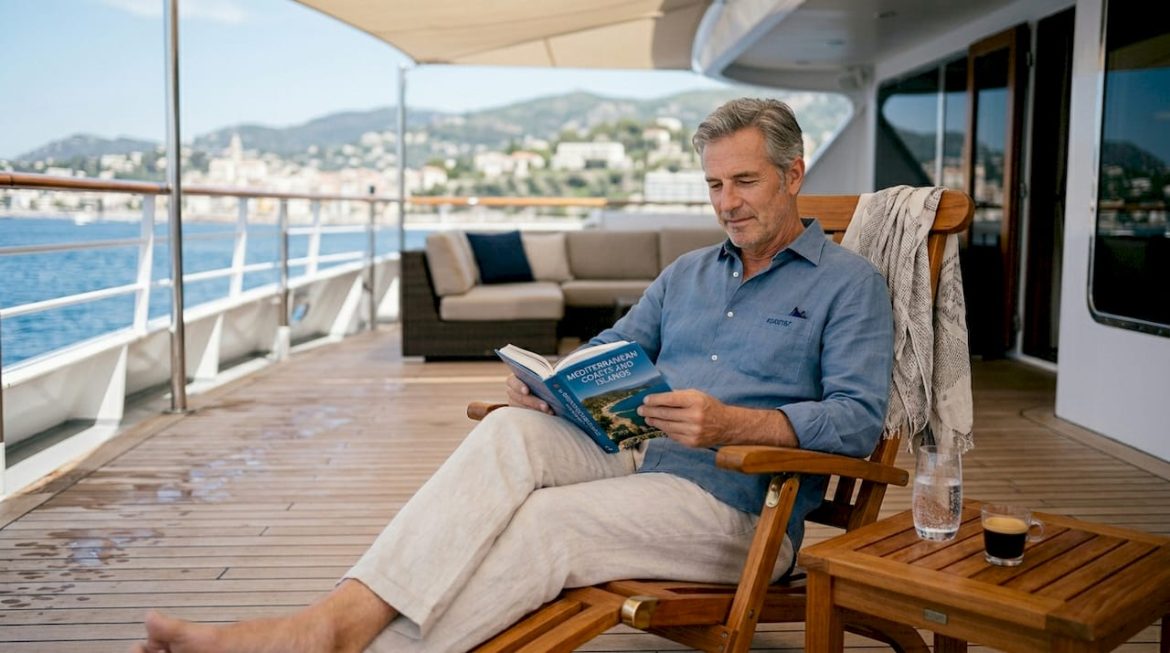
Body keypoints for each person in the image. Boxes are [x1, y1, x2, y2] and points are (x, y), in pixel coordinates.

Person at [133, 98, 894, 653]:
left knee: (547, 523)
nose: (727, 203)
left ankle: (347, 643)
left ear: (793, 174)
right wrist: (552, 381)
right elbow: (613, 347)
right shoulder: (688, 272)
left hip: (743, 505)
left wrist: (737, 424)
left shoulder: (847, 285)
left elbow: (859, 420)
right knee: (509, 434)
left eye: (746, 182)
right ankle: (335, 623)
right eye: (713, 186)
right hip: (642, 455)